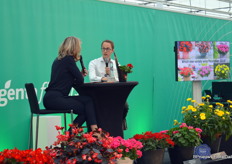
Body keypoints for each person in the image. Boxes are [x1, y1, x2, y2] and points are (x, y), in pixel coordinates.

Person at [43, 36, 98, 131]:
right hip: (55, 99)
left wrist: (78, 75)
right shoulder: (68, 59)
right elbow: (80, 81)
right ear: (75, 47)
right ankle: (92, 131)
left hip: (51, 98)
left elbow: (67, 80)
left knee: (87, 100)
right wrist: (80, 75)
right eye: (79, 47)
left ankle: (76, 134)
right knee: (86, 109)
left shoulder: (59, 59)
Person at [88, 40, 129, 130]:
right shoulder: (94, 63)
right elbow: (92, 77)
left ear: (112, 50)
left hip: (114, 92)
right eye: (103, 49)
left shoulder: (116, 64)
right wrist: (103, 78)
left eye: (107, 49)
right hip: (100, 93)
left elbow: (120, 79)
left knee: (125, 106)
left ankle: (118, 124)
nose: (105, 51)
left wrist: (110, 75)